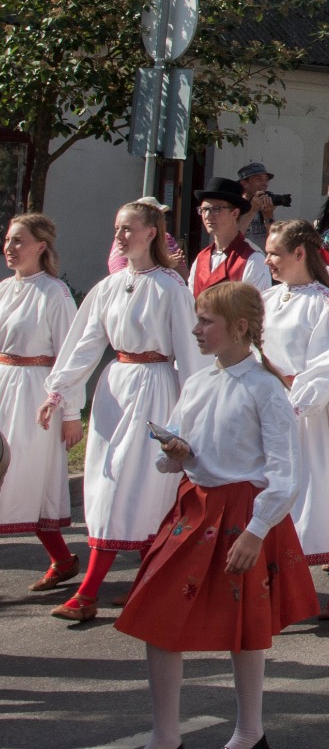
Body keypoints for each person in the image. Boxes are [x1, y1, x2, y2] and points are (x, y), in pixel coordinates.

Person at [116, 281, 317, 749]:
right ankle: (166, 737)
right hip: (195, 506)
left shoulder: (267, 390)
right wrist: (178, 450)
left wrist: (256, 532)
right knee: (156, 611)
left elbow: (285, 473)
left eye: (207, 321)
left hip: (242, 513)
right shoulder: (200, 380)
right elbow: (187, 445)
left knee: (244, 627)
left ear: (240, 327)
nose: (196, 329)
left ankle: (250, 732)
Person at [40, 200, 205, 620]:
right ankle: (146, 582)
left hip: (155, 388)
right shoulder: (108, 287)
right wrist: (59, 394)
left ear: (151, 232)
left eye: (128, 228)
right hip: (116, 388)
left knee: (135, 488)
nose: (119, 235)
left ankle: (89, 592)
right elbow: (84, 344)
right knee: (104, 483)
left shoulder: (171, 288)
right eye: (117, 228)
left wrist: (191, 415)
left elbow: (190, 356)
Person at [261, 220, 329, 619]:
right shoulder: (267, 300)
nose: (268, 260)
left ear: (299, 254)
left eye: (275, 253)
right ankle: (278, 584)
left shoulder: (326, 303)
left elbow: (325, 363)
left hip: (311, 413)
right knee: (274, 496)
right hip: (272, 406)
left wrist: (294, 405)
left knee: (320, 494)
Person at [1, 215, 80, 590]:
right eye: (8, 240)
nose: (10, 248)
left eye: (19, 241)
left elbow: (71, 355)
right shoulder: (3, 290)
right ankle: (63, 559)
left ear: (41, 246)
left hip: (35, 396)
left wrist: (70, 412)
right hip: (3, 385)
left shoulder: (55, 293)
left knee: (25, 480)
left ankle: (63, 559)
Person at [191, 178, 273, 299]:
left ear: (234, 213)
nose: (208, 216)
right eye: (204, 210)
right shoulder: (201, 258)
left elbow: (258, 311)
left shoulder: (252, 259)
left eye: (216, 209)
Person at [237, 161, 283, 248]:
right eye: (259, 179)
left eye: (266, 180)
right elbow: (234, 237)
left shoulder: (263, 205)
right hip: (241, 258)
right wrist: (252, 210)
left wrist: (269, 216)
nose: (265, 184)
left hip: (262, 258)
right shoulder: (234, 206)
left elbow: (275, 243)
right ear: (244, 183)